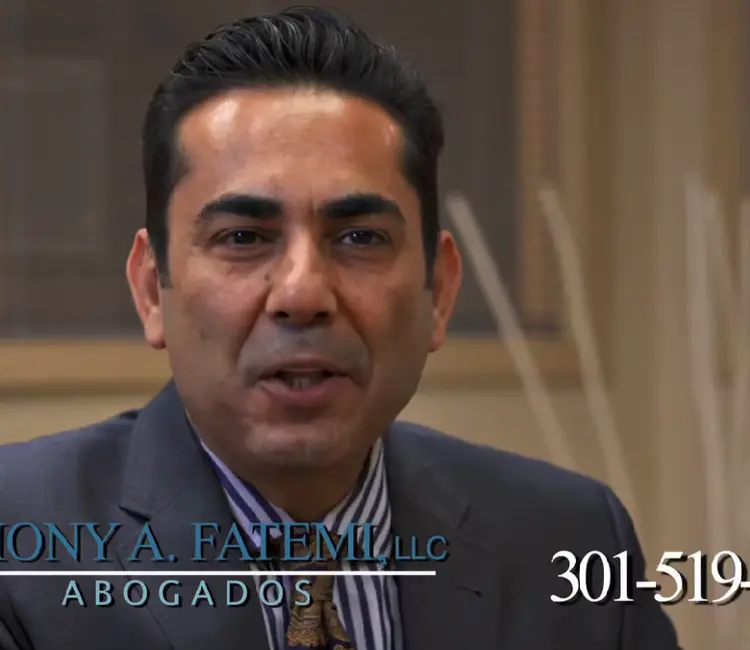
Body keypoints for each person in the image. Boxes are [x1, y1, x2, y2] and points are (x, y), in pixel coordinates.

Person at [0, 6, 681, 650]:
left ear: (440, 290)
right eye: (243, 237)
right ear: (153, 289)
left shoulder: (572, 540)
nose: (302, 294)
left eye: (359, 237)